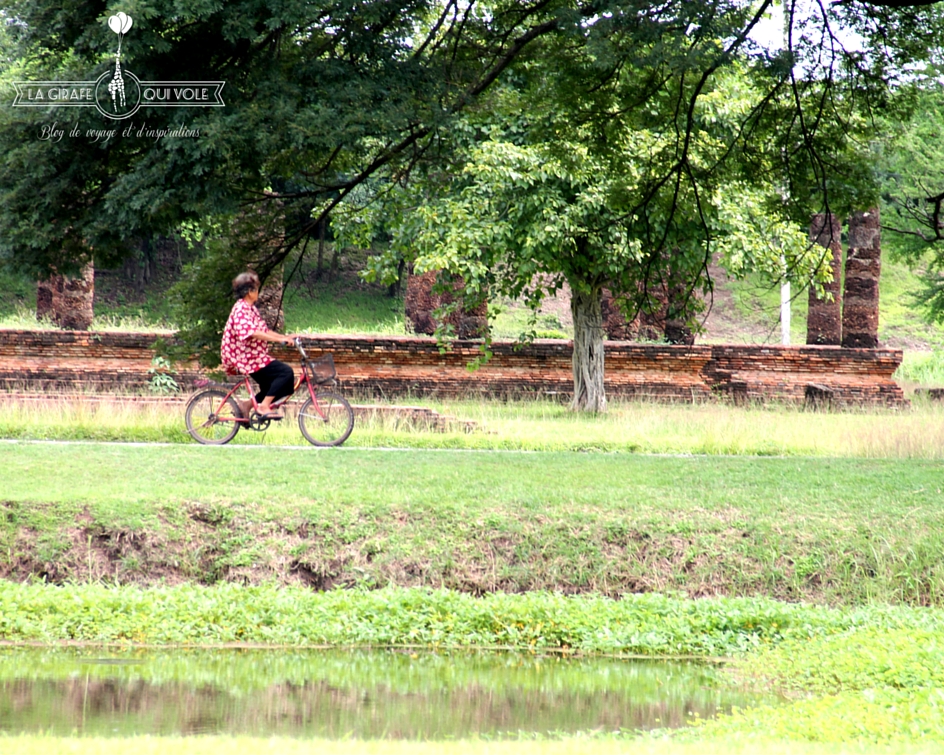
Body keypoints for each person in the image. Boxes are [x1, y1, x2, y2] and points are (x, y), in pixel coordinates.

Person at [221, 271, 295, 419]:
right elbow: (253, 333)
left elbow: (264, 330)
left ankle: (246, 405)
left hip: (254, 356)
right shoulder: (241, 309)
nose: (258, 293)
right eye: (256, 289)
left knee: (280, 387)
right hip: (244, 357)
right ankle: (263, 406)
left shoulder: (251, 309)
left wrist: (284, 337)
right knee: (286, 373)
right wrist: (278, 340)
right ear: (250, 291)